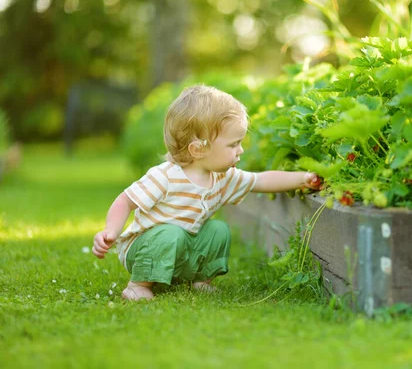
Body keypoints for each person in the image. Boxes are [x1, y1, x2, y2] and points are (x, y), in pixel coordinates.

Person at [92, 85, 321, 301]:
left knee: (217, 229)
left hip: (182, 247)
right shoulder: (165, 176)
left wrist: (302, 178)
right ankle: (138, 285)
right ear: (198, 149)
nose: (240, 150)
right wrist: (110, 231)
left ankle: (200, 280)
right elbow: (126, 201)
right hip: (145, 250)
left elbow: (260, 180)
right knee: (173, 234)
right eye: (233, 145)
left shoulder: (223, 177)